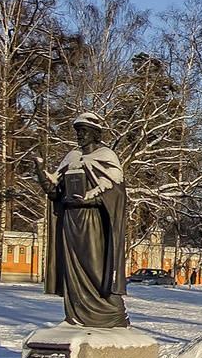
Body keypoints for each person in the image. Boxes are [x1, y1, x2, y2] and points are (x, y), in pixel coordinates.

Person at [33, 112, 130, 328]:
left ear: (95, 133)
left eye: (84, 131)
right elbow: (54, 191)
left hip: (93, 221)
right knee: (72, 271)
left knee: (95, 267)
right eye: (77, 132)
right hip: (71, 221)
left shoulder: (106, 156)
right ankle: (76, 315)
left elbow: (114, 190)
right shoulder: (71, 158)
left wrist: (87, 198)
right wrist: (41, 172)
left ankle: (113, 314)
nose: (80, 136)